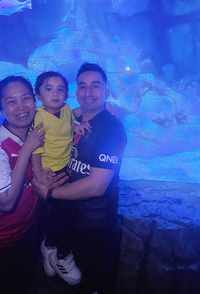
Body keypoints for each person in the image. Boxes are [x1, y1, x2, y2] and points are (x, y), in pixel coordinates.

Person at [33, 63, 127, 294]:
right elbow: (59, 112)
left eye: (95, 86)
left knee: (90, 285)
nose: (88, 92)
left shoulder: (111, 129)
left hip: (94, 226)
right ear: (76, 92)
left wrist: (50, 194)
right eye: (82, 86)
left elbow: (96, 186)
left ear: (106, 91)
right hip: (67, 219)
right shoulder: (73, 118)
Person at [0, 75, 62, 293]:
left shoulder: (36, 133)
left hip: (25, 235)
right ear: (1, 109)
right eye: (11, 101)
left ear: (35, 101)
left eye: (26, 98)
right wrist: (27, 149)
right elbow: (6, 204)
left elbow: (63, 114)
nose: (21, 106)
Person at [31, 71, 88, 285]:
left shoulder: (65, 109)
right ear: (38, 95)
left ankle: (50, 247)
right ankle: (53, 249)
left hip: (67, 166)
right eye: (49, 89)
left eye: (60, 89)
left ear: (66, 93)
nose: (55, 94)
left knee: (66, 209)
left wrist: (77, 127)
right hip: (50, 171)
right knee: (57, 211)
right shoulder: (38, 118)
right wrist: (39, 175)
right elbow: (35, 149)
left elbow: (70, 122)